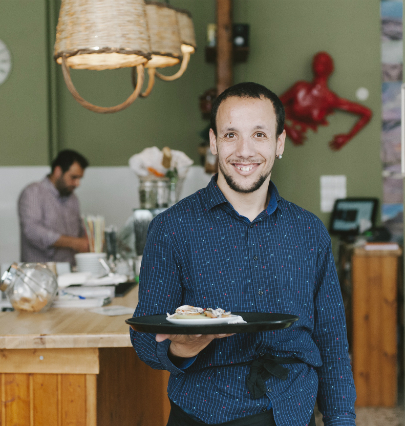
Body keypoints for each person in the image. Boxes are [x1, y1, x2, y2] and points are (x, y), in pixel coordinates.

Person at [131, 83, 355, 426]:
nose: (244, 151)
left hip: (293, 410)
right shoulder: (171, 228)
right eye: (231, 135)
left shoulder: (309, 231)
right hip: (205, 412)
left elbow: (332, 341)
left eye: (259, 135)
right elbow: (145, 335)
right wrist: (180, 349)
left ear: (279, 143)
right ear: (214, 142)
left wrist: (341, 420)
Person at [18, 149, 89, 264]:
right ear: (58, 171)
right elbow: (32, 231)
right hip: (39, 270)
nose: (77, 183)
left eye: (79, 179)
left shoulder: (73, 198)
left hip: (70, 269)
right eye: (73, 177)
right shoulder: (33, 192)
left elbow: (78, 232)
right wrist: (74, 243)